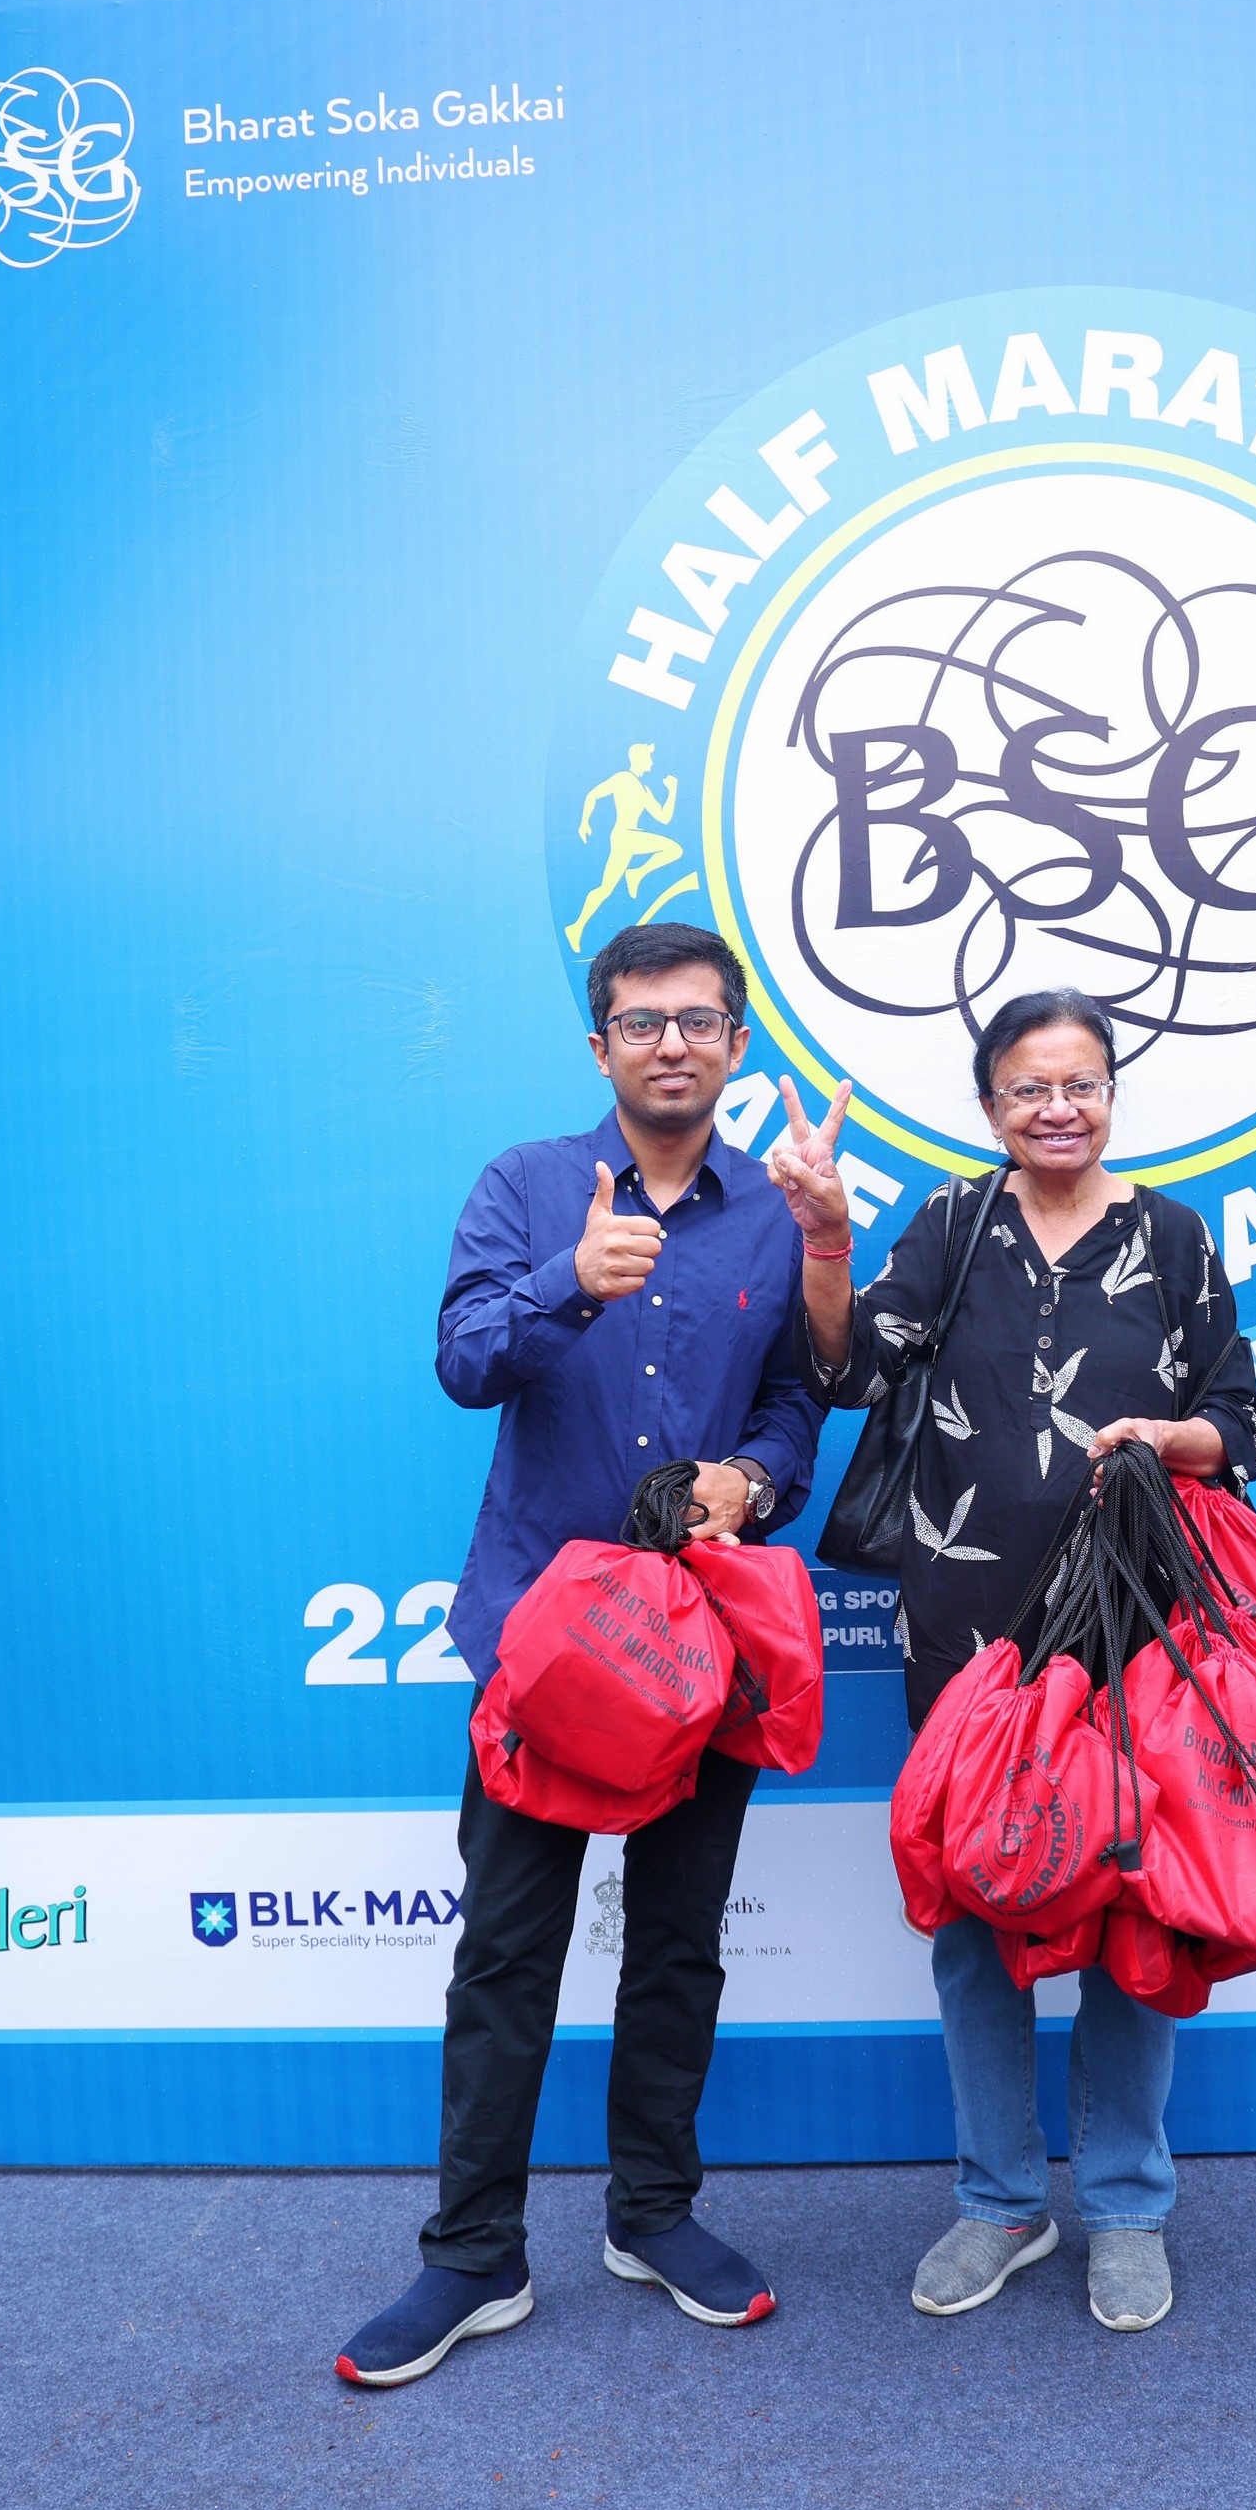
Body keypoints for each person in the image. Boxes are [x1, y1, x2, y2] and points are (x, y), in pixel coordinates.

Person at [337, 924, 821, 2389]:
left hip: (696, 1650)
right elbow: (461, 1361)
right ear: (599, 1045)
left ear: (735, 1043)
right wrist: (570, 1280)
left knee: (676, 1946)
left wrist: (754, 1479)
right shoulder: (530, 1187)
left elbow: (795, 1403)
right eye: (642, 1021)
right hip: (544, 1650)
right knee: (507, 1954)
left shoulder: (772, 1215)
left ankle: (652, 2215)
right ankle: (473, 2255)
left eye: (698, 1020)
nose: (672, 1043)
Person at [766, 990, 1256, 2338]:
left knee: (1134, 1919)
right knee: (980, 1913)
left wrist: (1170, 1439)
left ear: (1113, 1092)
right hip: (969, 1641)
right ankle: (998, 2201)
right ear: (990, 1105)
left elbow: (1243, 1420)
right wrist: (826, 1238)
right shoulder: (952, 1222)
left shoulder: (1173, 1236)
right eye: (1029, 1087)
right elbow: (851, 1372)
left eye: (1081, 1082)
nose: (1059, 1107)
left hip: (1134, 1629)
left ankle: (1126, 2206)